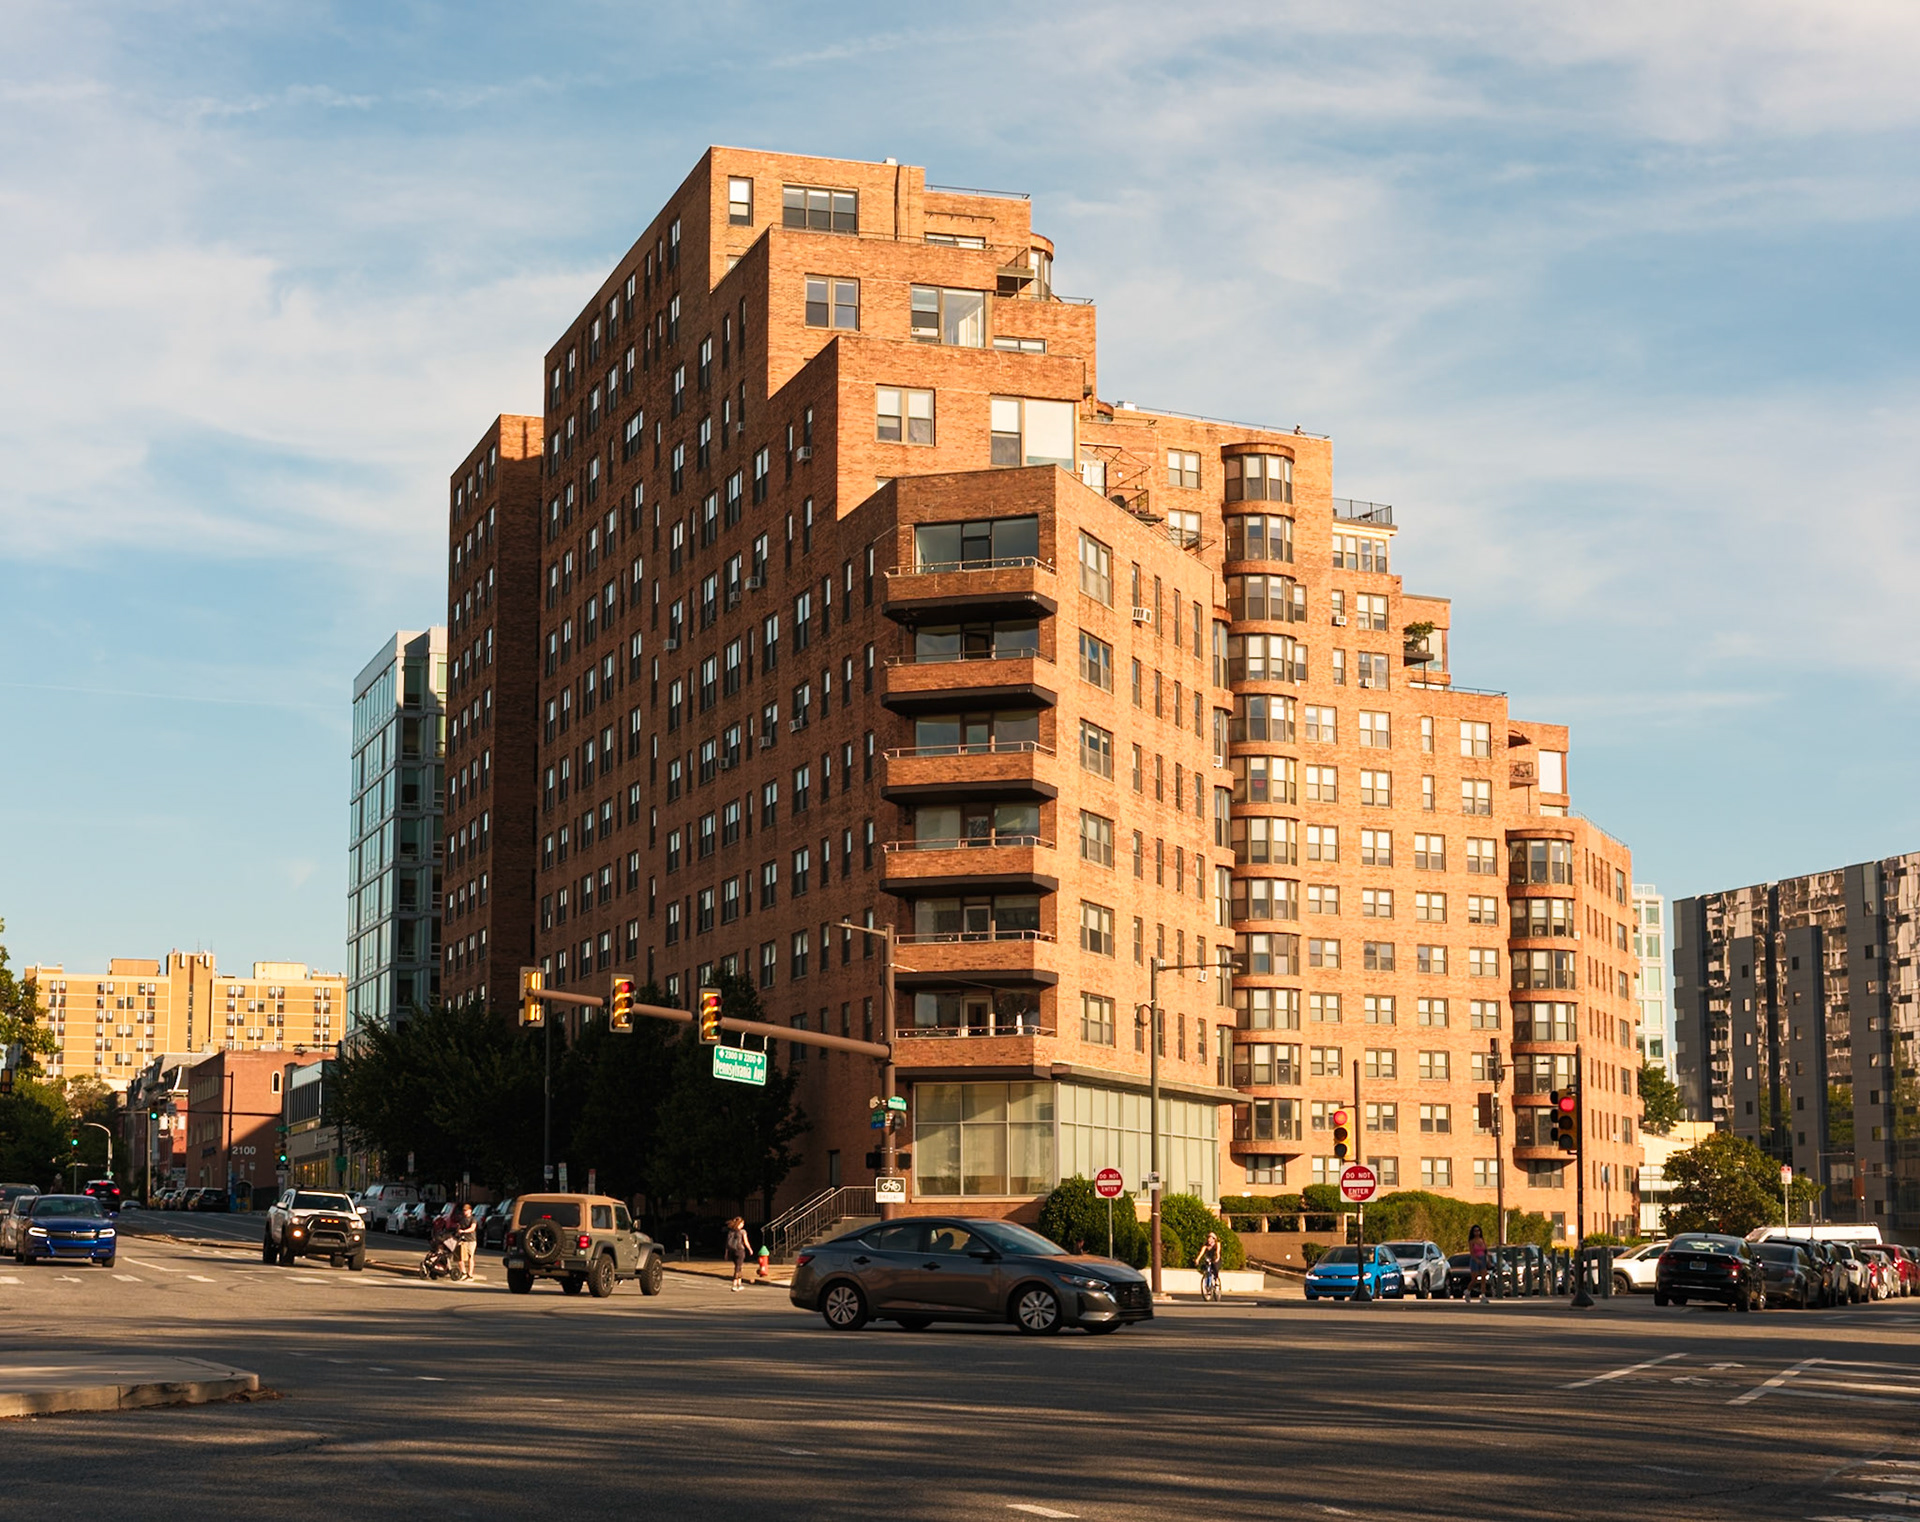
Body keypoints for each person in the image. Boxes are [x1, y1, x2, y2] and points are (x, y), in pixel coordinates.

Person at [452, 1202, 478, 1281]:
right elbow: (458, 1227)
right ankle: (463, 1272)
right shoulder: (462, 1219)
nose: (464, 1212)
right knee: (459, 1257)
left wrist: (464, 1231)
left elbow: (472, 1228)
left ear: (470, 1210)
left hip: (471, 1240)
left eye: (466, 1210)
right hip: (462, 1240)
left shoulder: (473, 1219)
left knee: (470, 1257)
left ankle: (470, 1275)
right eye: (464, 1210)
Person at [725, 1216, 751, 1292]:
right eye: (742, 1223)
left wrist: (726, 1253)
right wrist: (750, 1249)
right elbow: (746, 1242)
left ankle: (739, 1284)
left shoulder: (731, 1232)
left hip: (732, 1251)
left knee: (738, 1267)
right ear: (739, 1224)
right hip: (740, 1250)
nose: (743, 1225)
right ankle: (734, 1284)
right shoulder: (742, 1232)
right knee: (738, 1267)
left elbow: (727, 1243)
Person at [1195, 1231, 1222, 1299]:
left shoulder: (1217, 1244)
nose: (1209, 1240)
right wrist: (1197, 1259)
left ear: (1214, 1239)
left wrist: (1217, 1258)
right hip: (1209, 1259)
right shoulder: (1205, 1246)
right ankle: (1208, 1287)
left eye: (1210, 1238)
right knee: (1207, 1270)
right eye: (1208, 1238)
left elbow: (1218, 1252)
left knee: (1215, 1268)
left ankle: (1216, 1280)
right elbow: (1201, 1253)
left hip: (1215, 1259)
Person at [1467, 1223, 1489, 1302]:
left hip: (1483, 1258)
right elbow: (1472, 1253)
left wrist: (1487, 1260)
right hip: (1475, 1260)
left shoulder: (1482, 1240)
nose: (1477, 1232)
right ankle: (1467, 1291)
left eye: (1478, 1231)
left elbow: (1486, 1251)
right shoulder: (1471, 1241)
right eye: (1475, 1231)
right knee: (1475, 1279)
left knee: (1483, 1278)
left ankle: (1483, 1295)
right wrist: (1476, 1260)